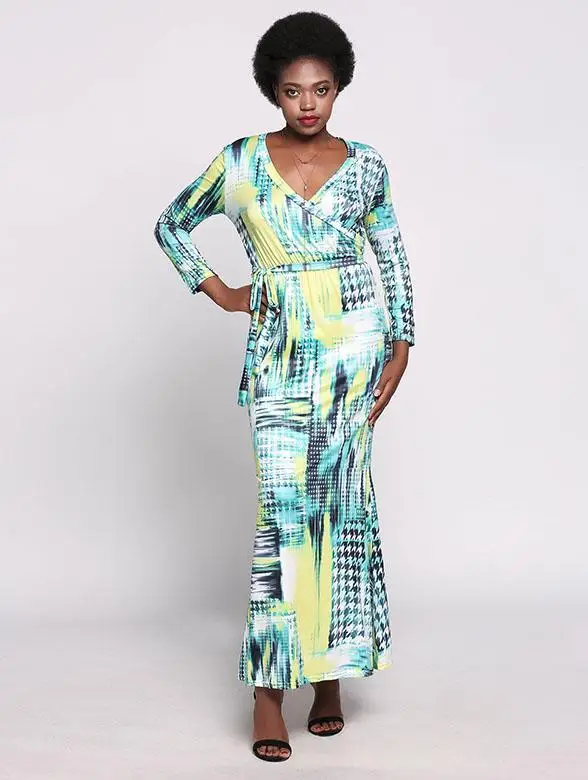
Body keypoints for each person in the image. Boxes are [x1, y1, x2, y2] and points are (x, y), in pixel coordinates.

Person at [154, 10, 415, 763]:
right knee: (284, 516)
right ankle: (269, 692)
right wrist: (223, 292)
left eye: (321, 89)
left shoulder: (366, 165)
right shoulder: (240, 162)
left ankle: (329, 679)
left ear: (339, 89)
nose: (308, 104)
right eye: (294, 90)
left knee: (343, 511)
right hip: (280, 352)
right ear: (274, 90)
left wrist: (402, 342)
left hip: (355, 350)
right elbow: (172, 224)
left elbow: (392, 256)